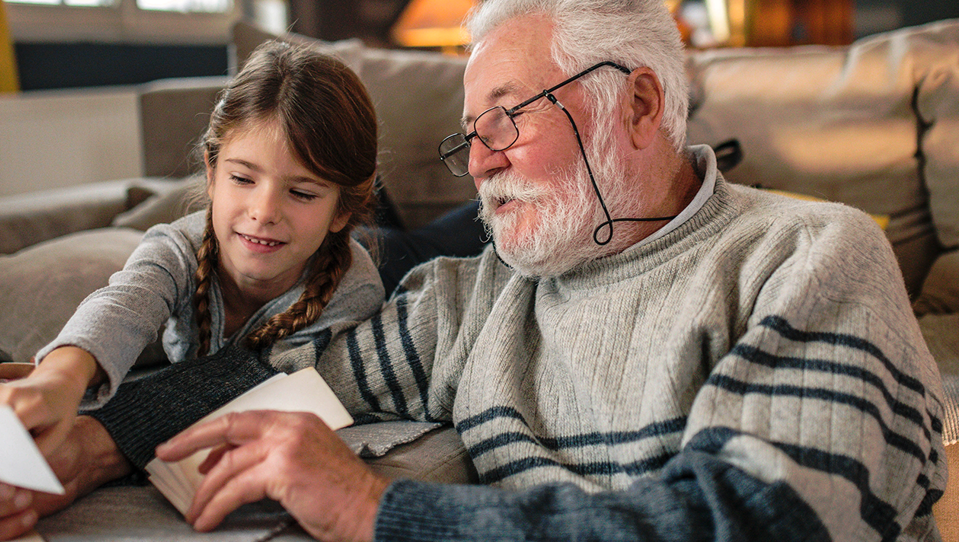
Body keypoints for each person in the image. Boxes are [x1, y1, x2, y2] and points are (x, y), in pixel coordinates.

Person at [0, 0, 947, 540]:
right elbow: (280, 375)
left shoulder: (807, 254)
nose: (480, 159)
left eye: (508, 117)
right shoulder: (475, 296)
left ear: (641, 102)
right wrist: (87, 445)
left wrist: (382, 510)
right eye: (470, 133)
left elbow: (760, 520)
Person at [0, 39, 385, 456]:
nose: (264, 211)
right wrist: (60, 376)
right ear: (211, 173)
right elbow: (124, 303)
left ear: (342, 210)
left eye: (303, 193)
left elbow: (261, 386)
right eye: (242, 179)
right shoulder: (179, 246)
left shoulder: (355, 292)